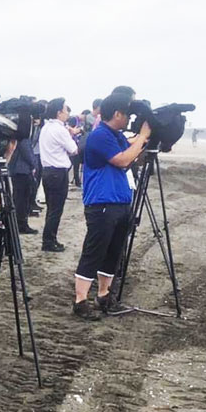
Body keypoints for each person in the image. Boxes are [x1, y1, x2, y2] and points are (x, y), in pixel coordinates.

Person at [73, 91, 152, 320]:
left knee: (113, 252)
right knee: (94, 251)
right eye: (127, 114)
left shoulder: (116, 135)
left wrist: (143, 140)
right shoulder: (100, 135)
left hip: (120, 201)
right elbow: (122, 160)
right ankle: (80, 301)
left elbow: (132, 156)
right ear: (117, 113)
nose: (129, 119)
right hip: (102, 203)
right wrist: (143, 135)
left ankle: (104, 295)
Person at [38, 97, 78, 252]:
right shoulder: (60, 129)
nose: (67, 112)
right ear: (59, 112)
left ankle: (50, 238)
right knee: (56, 209)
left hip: (48, 171)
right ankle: (48, 241)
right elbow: (73, 149)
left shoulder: (46, 127)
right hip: (58, 172)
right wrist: (71, 135)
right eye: (66, 109)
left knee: (51, 208)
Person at [7, 108, 39, 234]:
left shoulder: (17, 134)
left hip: (18, 170)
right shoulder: (23, 136)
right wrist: (34, 164)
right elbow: (27, 152)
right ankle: (21, 224)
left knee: (19, 197)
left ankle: (19, 223)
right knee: (22, 199)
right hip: (22, 170)